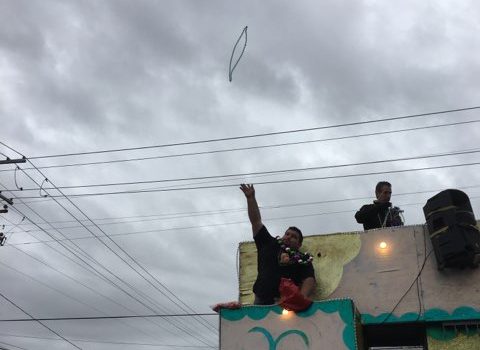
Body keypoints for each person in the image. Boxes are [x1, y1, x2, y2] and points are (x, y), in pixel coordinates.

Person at [240, 184, 316, 305]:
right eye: (287, 234)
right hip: (261, 299)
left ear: (299, 244)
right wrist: (250, 198)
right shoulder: (268, 243)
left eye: (294, 237)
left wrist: (301, 298)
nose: (289, 237)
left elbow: (309, 279)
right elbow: (256, 221)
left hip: (286, 302)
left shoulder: (303, 258)